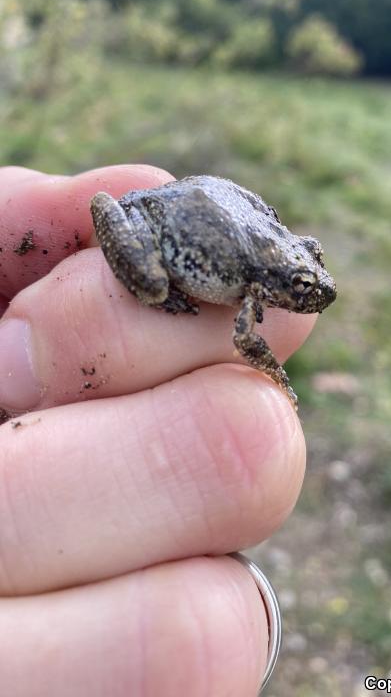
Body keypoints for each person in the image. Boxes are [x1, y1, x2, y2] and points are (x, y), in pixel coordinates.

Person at [0, 164, 314, 695]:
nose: (314, 294)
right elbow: (248, 343)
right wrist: (275, 374)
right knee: (150, 287)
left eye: (312, 266)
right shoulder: (255, 292)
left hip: (178, 203)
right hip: (157, 215)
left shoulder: (265, 264)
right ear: (277, 282)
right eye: (304, 286)